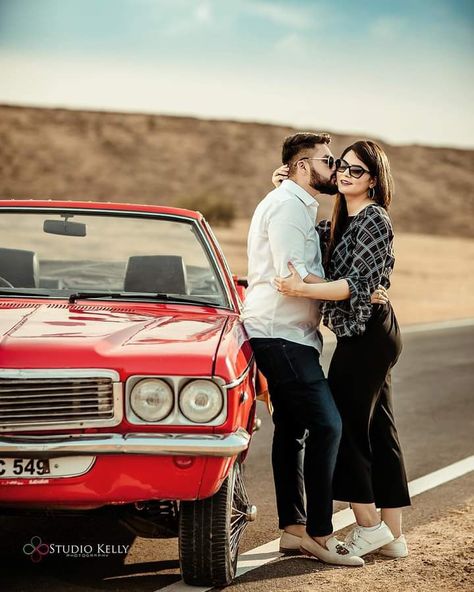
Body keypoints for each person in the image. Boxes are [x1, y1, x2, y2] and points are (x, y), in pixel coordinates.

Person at [242, 132, 386, 566]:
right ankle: (320, 535)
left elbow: (305, 275)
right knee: (327, 426)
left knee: (292, 431)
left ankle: (293, 531)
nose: (336, 170)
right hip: (281, 333)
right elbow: (296, 278)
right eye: (329, 162)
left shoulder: (296, 205)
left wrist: (346, 289)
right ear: (303, 167)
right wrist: (354, 292)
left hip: (286, 332)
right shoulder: (288, 208)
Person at [273, 140, 411, 559]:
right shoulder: (336, 223)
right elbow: (315, 256)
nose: (345, 174)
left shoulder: (374, 219)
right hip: (361, 333)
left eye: (356, 170)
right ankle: (394, 534)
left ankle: (368, 525)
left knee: (344, 426)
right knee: (379, 429)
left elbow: (358, 287)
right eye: (342, 168)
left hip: (371, 336)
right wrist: (282, 183)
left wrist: (301, 288)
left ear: (373, 179)